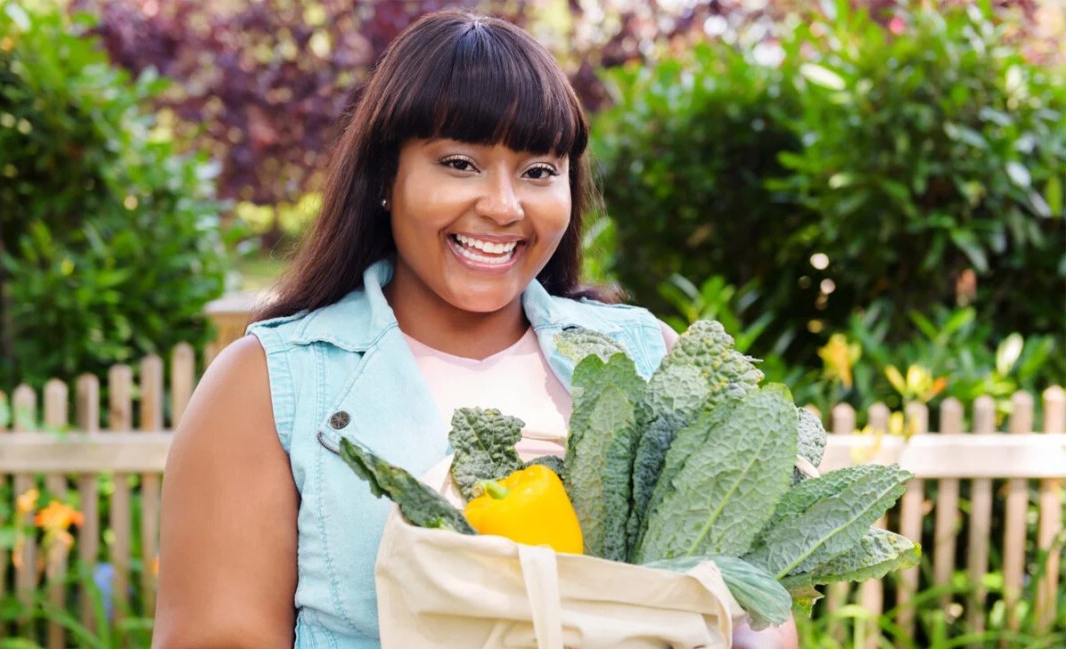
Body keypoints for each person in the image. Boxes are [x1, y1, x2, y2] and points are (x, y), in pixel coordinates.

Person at [152, 10, 797, 649]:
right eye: (459, 163)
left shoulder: (647, 355)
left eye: (538, 171)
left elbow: (755, 614)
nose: (503, 205)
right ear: (385, 177)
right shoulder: (268, 384)